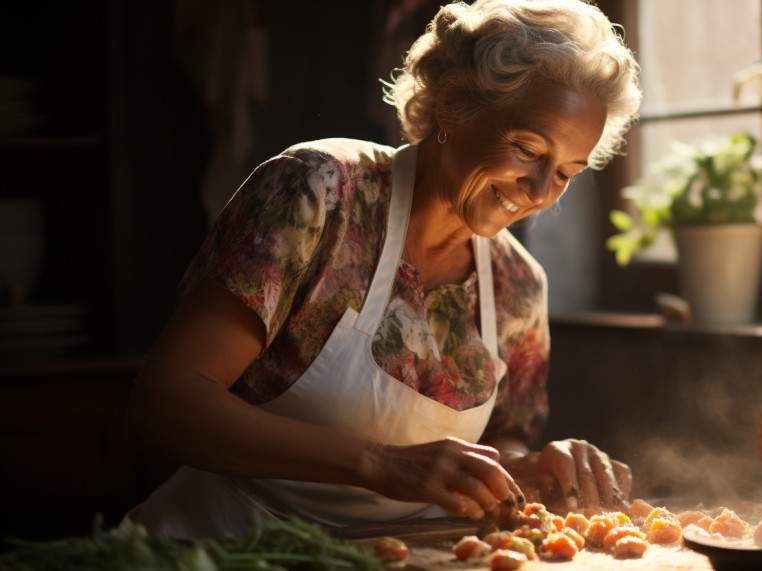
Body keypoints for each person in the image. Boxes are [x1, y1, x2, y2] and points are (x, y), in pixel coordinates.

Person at [126, 0, 642, 540]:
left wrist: (528, 464)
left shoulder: (519, 287)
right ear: (452, 105)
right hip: (224, 545)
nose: (539, 191)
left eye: (564, 172)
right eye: (526, 148)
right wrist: (379, 462)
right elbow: (164, 404)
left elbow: (503, 442)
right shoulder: (318, 194)